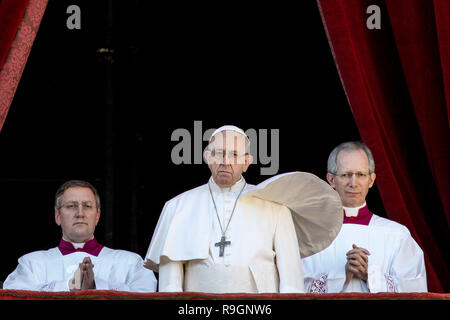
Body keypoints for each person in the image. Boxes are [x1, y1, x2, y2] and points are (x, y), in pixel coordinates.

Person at [145, 125, 307, 293]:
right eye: (218, 153)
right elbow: (170, 285)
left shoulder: (276, 208)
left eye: (234, 155)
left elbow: (291, 283)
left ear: (246, 162)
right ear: (208, 158)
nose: (225, 161)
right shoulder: (178, 207)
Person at [301, 141, 427, 293]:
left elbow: (415, 289)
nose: (353, 183)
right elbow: (293, 288)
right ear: (331, 180)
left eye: (361, 175)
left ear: (371, 180)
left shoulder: (397, 234)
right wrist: (342, 276)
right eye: (346, 175)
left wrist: (370, 275)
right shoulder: (309, 234)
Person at [3, 180, 157, 292]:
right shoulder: (31, 263)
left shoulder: (131, 262)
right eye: (71, 206)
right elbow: (15, 293)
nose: (80, 213)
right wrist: (68, 286)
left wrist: (98, 285)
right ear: (58, 216)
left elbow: (146, 293)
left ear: (97, 216)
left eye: (88, 206)